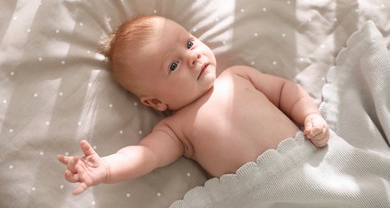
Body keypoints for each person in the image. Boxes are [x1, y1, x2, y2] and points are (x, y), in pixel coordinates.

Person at [57, 15, 330, 195]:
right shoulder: (175, 130)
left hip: (312, 161)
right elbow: (143, 156)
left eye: (189, 42)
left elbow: (285, 90)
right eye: (173, 65)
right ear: (155, 102)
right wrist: (105, 168)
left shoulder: (237, 76)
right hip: (267, 197)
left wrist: (310, 116)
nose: (192, 56)